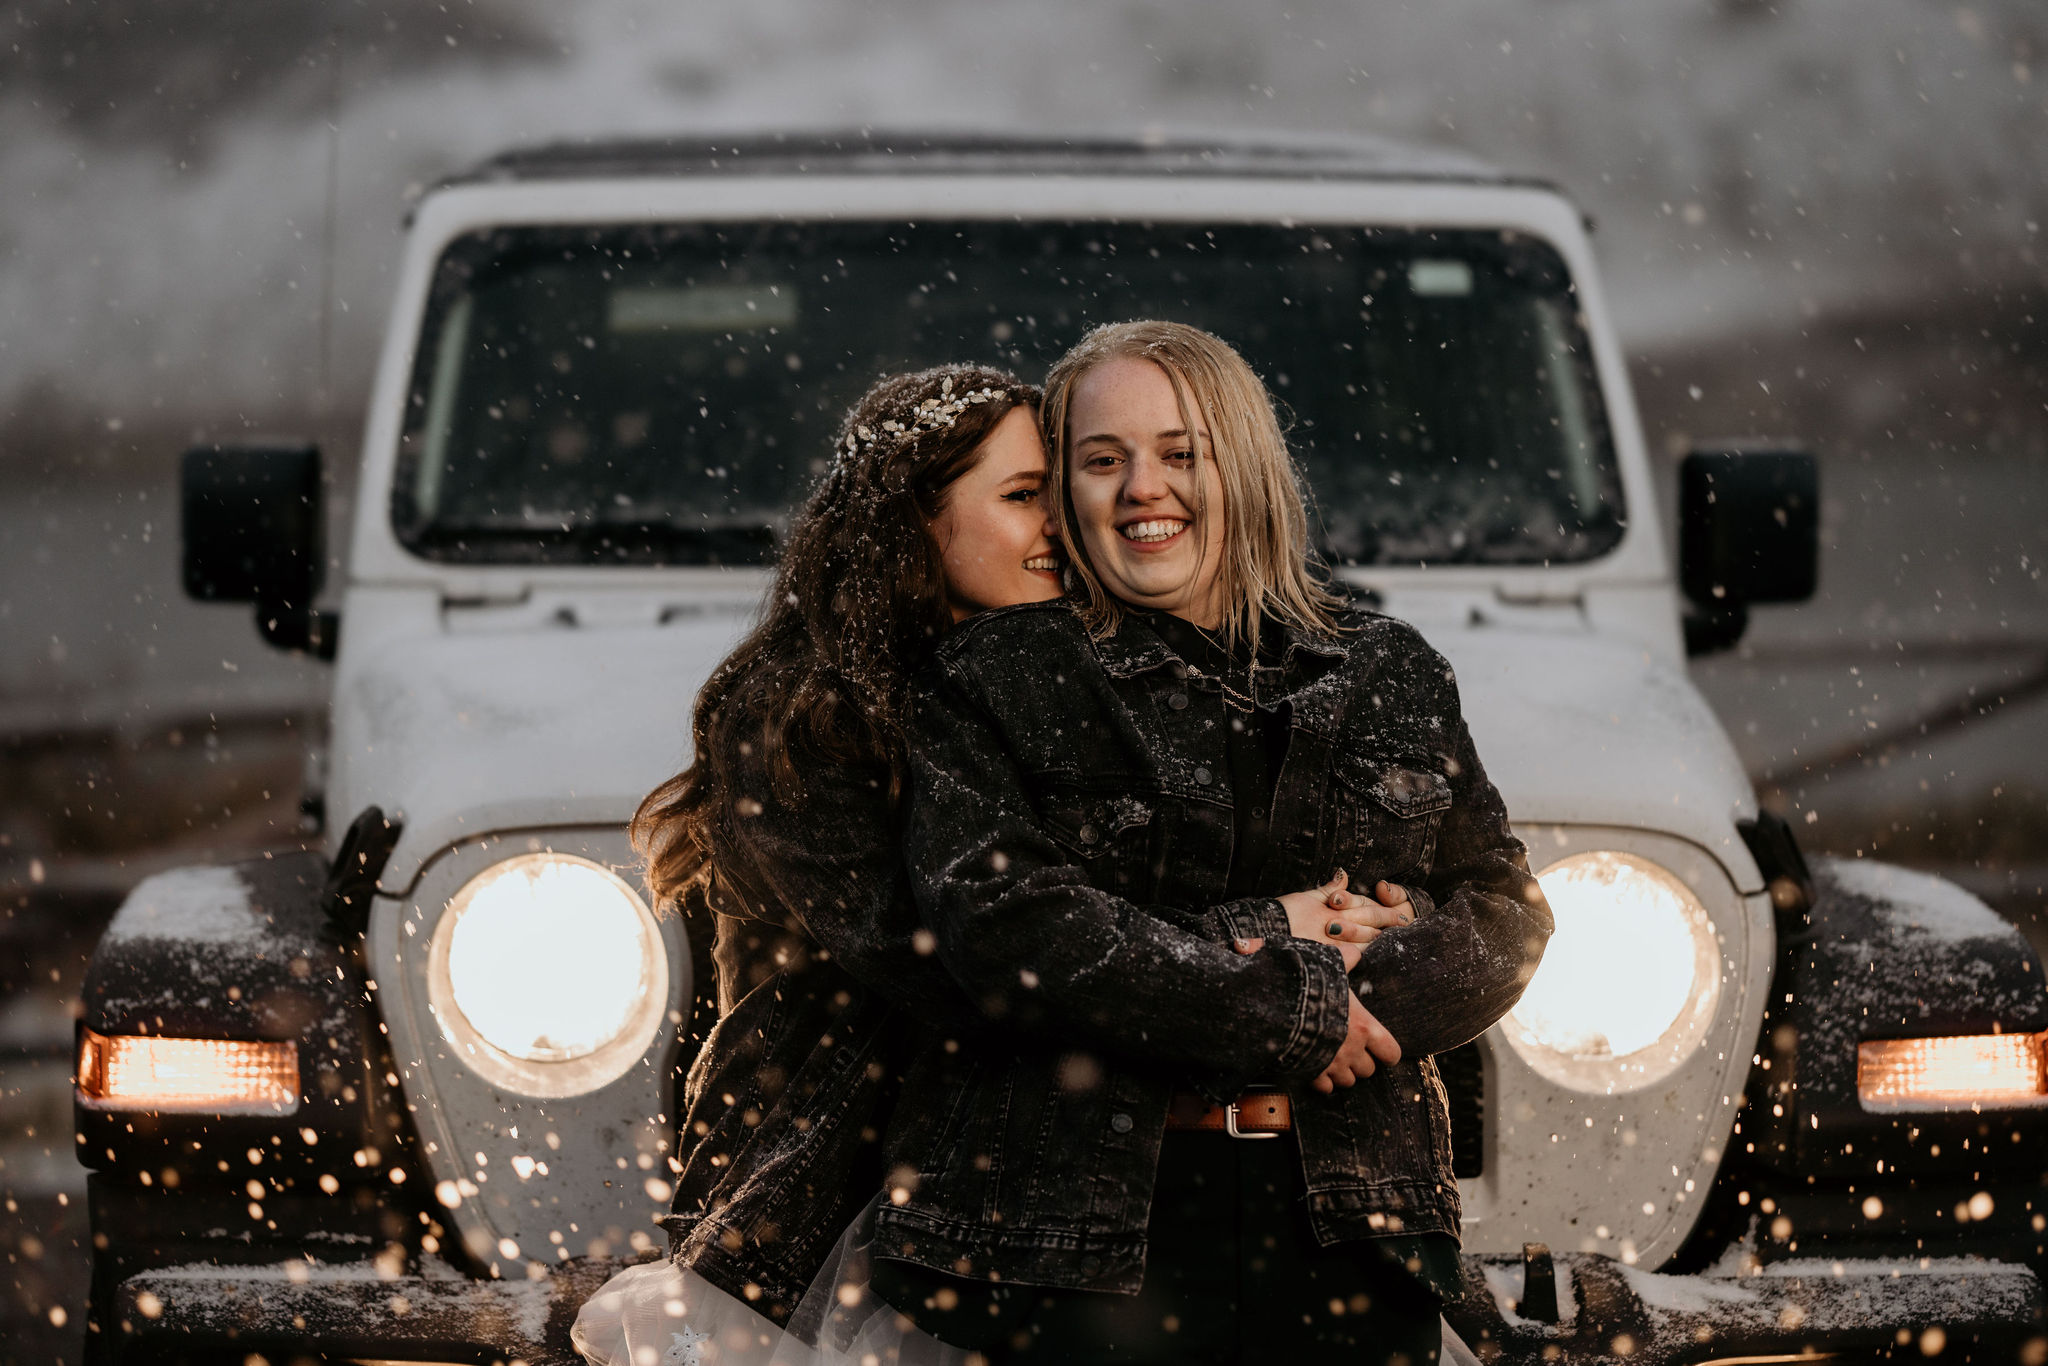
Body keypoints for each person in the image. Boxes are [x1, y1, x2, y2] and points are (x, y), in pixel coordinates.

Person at [572, 363, 1408, 1366]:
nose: (1059, 526)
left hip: (1015, 1187)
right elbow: (973, 963)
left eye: (1059, 497)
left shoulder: (1062, 687)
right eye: (1020, 497)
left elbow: (1095, 923)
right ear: (908, 523)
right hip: (838, 1201)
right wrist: (1263, 944)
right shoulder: (805, 719)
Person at [875, 321, 1554, 1364]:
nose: (1142, 487)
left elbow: (1505, 911)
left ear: (1241, 464)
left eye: (1180, 453)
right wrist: (1295, 1008)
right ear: (1069, 493)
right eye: (1102, 461)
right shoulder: (997, 679)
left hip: (1356, 1224)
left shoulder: (1387, 672)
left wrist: (1367, 1006)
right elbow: (1011, 929)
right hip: (1073, 1236)